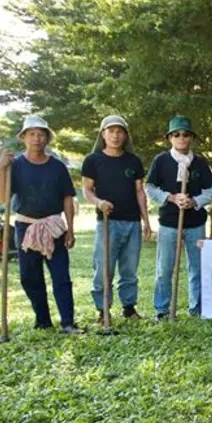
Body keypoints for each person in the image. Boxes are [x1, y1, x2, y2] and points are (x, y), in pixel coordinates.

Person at [0, 115, 80, 334]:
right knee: (30, 277)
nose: (36, 139)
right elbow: (4, 198)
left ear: (47, 139)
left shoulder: (58, 167)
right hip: (26, 227)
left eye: (41, 134)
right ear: (24, 137)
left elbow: (68, 198)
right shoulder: (16, 166)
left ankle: (68, 322)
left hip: (54, 226)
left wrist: (70, 229)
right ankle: (42, 320)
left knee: (61, 276)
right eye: (32, 134)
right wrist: (1, 170)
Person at [146, 115, 212, 320]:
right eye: (176, 134)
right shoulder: (161, 161)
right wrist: (171, 197)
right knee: (164, 268)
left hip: (195, 223)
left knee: (197, 267)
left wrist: (194, 201)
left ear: (191, 138)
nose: (181, 138)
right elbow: (150, 187)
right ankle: (162, 309)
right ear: (170, 138)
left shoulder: (201, 163)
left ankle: (197, 308)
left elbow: (211, 191)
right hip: (169, 222)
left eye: (186, 134)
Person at [82, 115, 151, 323]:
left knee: (129, 269)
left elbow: (140, 191)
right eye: (110, 131)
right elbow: (86, 190)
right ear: (103, 134)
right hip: (107, 223)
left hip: (132, 223)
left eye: (119, 131)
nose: (115, 135)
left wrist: (146, 221)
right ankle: (103, 311)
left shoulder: (133, 161)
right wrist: (99, 202)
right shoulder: (93, 160)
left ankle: (129, 308)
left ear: (125, 135)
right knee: (104, 269)